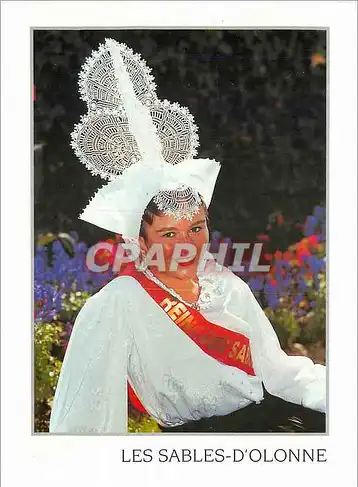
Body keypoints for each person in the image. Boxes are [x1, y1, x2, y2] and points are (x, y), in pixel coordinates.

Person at [49, 38, 326, 434]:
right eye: (167, 233)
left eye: (196, 227)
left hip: (272, 423)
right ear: (140, 242)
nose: (186, 245)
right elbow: (86, 418)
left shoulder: (226, 286)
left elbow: (278, 372)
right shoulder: (117, 303)